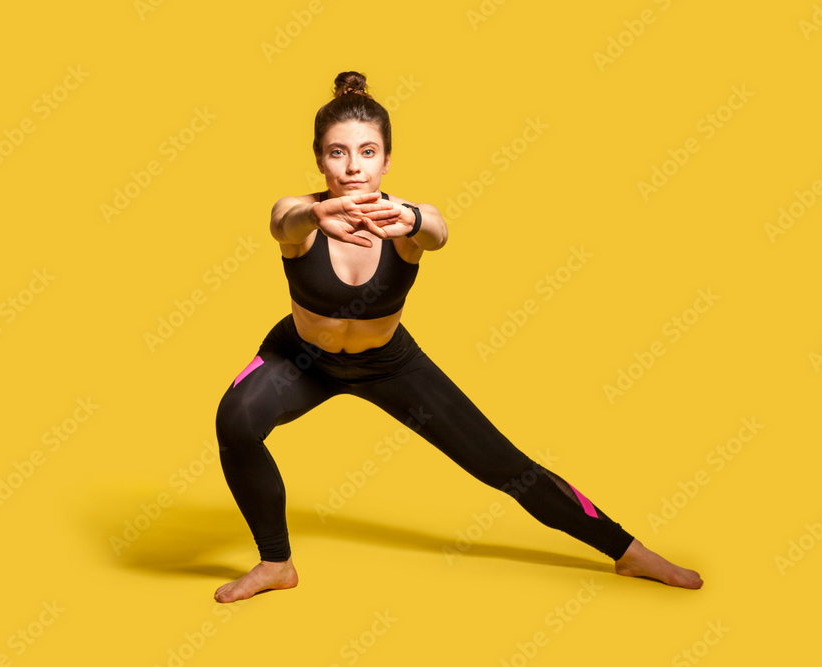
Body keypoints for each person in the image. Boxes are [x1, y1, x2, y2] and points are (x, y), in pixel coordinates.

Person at [213, 71, 702, 603]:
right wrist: (315, 213)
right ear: (319, 159)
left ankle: (629, 552)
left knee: (505, 466)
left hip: (389, 365)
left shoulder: (406, 221)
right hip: (300, 359)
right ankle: (276, 563)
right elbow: (282, 223)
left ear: (387, 159)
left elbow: (438, 231)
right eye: (338, 153)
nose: (353, 167)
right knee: (234, 419)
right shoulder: (298, 214)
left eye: (367, 151)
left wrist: (411, 218)